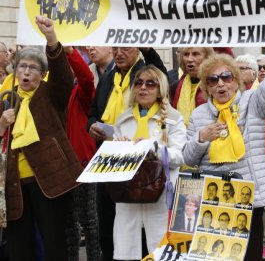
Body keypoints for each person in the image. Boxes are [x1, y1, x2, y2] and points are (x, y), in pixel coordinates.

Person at [183, 18, 265, 260]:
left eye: (227, 77)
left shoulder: (252, 103)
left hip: (249, 197)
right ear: (207, 87)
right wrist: (201, 138)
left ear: (236, 81)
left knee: (249, 256)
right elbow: (189, 159)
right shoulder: (199, 115)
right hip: (216, 200)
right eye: (213, 80)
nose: (221, 83)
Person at [0, 15, 83, 260]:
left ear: (42, 73)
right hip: (15, 184)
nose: (26, 72)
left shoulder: (51, 93)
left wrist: (51, 38)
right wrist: (2, 124)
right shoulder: (7, 99)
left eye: (32, 68)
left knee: (55, 243)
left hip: (49, 181)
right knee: (19, 247)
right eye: (21, 67)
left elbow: (63, 76)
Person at [87, 46, 167, 261]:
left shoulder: (145, 71)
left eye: (125, 48)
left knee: (145, 234)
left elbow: (160, 76)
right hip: (112, 163)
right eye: (115, 48)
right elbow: (94, 111)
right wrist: (93, 125)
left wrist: (147, 48)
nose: (119, 53)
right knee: (109, 223)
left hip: (147, 174)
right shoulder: (108, 78)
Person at [112, 65, 186, 260]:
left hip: (160, 194)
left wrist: (152, 147)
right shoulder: (122, 120)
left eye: (150, 84)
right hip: (128, 194)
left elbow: (179, 157)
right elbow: (112, 165)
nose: (143, 88)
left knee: (162, 249)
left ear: (160, 89)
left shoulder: (174, 119)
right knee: (126, 248)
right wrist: (118, 149)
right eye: (139, 83)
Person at [64, 46, 100, 260]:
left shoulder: (82, 90)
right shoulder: (56, 92)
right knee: (69, 221)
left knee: (89, 221)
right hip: (64, 166)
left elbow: (86, 77)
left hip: (83, 163)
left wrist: (69, 52)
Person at [170, 47, 214, 125]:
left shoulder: (215, 84)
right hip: (180, 135)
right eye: (186, 54)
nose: (189, 59)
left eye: (195, 54)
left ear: (207, 58)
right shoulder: (175, 86)